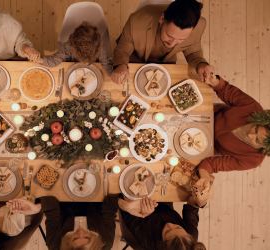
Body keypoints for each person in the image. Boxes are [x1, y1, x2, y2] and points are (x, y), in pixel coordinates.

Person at [192, 73, 270, 204]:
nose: (250, 135)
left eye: (256, 141)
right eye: (256, 129)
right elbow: (227, 90)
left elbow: (212, 164)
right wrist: (214, 81)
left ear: (263, 148)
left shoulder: (253, 160)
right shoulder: (254, 109)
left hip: (203, 145)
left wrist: (204, 177)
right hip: (206, 115)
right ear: (261, 121)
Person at [111, 0, 213, 84]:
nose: (172, 44)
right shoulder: (136, 21)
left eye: (181, 39)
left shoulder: (200, 25)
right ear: (162, 19)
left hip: (167, 63)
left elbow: (192, 52)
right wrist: (121, 65)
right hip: (135, 58)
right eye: (169, 36)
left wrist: (201, 64)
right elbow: (123, 49)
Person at [118, 197, 206, 250]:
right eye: (178, 227)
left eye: (167, 231)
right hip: (164, 203)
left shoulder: (146, 242)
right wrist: (199, 200)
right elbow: (191, 207)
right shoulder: (190, 238)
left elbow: (124, 207)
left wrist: (140, 211)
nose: (169, 224)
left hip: (135, 210)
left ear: (162, 243)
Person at [40, 195, 118, 250]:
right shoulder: (106, 242)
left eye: (75, 238)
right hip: (98, 199)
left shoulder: (55, 245)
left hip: (63, 199)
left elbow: (51, 212)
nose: (81, 231)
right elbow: (109, 210)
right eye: (87, 237)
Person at [38, 22, 113, 74]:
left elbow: (106, 64)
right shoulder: (68, 46)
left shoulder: (100, 48)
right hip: (70, 67)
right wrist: (41, 60)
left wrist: (113, 74)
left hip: (94, 69)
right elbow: (54, 60)